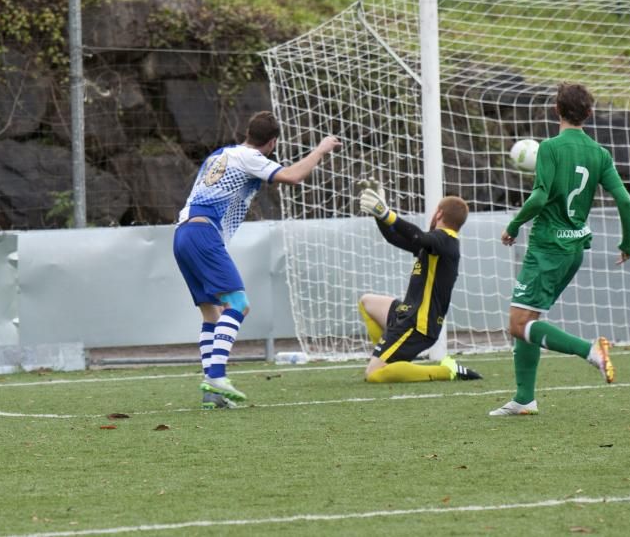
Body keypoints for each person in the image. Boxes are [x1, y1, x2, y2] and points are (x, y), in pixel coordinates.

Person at [173, 111, 340, 408]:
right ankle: (215, 376)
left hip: (183, 234)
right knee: (238, 304)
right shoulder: (251, 158)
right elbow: (293, 176)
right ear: (272, 142)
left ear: (248, 132)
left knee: (211, 313)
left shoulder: (221, 154)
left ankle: (212, 394)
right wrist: (322, 148)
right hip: (203, 233)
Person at [490, 82, 630, 417]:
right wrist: (627, 242)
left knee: (517, 324)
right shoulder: (599, 153)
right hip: (574, 249)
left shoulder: (550, 149)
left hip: (548, 247)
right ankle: (524, 399)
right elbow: (625, 200)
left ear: (556, 110)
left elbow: (540, 197)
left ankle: (591, 351)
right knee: (529, 317)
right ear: (589, 113)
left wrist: (513, 225)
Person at [356, 183, 482, 383]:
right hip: (408, 313)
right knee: (367, 302)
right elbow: (393, 237)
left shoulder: (446, 241)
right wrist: (378, 214)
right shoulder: (436, 243)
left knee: (373, 375)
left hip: (419, 325)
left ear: (439, 214)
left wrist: (386, 213)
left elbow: (418, 236)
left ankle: (446, 371)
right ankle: (389, 357)